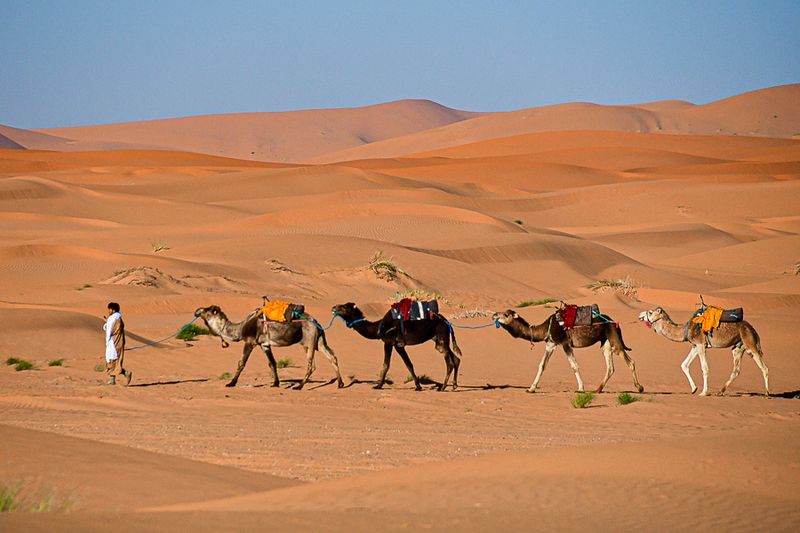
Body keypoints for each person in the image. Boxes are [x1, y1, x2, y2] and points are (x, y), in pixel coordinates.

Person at [103, 302, 132, 385]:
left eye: (109, 309)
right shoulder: (113, 318)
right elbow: (109, 328)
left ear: (113, 310)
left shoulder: (116, 319)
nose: (108, 311)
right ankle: (116, 378)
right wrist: (107, 323)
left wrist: (108, 324)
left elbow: (115, 330)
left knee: (113, 360)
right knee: (110, 359)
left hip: (115, 342)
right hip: (111, 342)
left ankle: (123, 374)